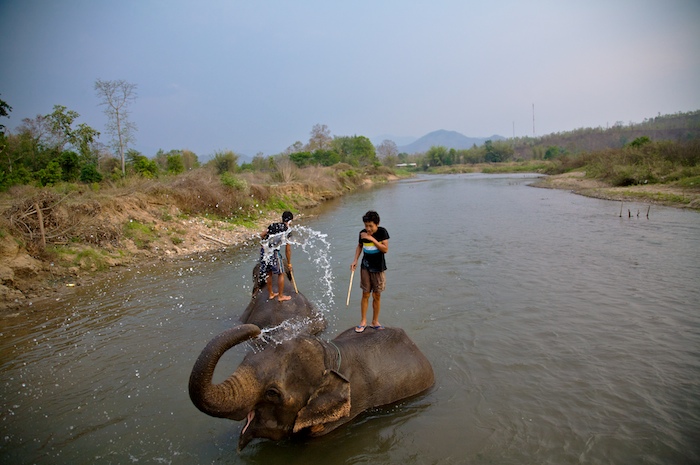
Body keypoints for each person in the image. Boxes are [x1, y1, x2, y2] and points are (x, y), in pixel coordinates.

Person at [350, 210, 389, 332]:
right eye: (366, 226)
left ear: (377, 224)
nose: (368, 228)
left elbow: (385, 249)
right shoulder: (362, 233)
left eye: (370, 226)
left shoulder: (382, 232)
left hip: (378, 268)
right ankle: (363, 321)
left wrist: (371, 239)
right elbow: (360, 246)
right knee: (365, 294)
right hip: (365, 267)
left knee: (376, 295)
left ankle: (375, 321)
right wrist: (355, 260)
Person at [260, 211, 294, 302]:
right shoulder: (287, 230)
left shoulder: (273, 225)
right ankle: (280, 296)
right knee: (281, 273)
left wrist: (263, 242)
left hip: (265, 250)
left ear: (282, 218)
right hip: (274, 251)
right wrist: (289, 263)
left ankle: (271, 294)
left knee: (268, 273)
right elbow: (288, 250)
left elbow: (262, 234)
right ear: (290, 220)